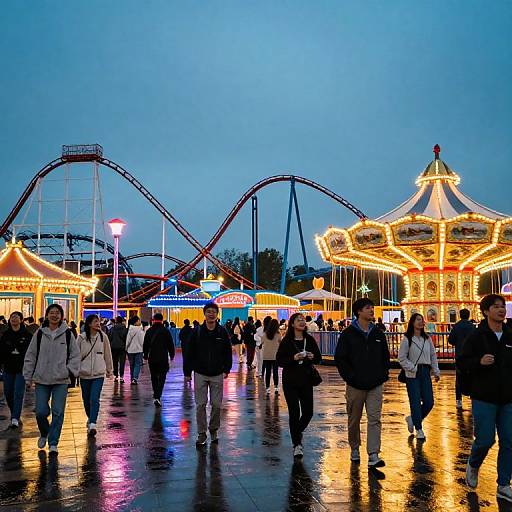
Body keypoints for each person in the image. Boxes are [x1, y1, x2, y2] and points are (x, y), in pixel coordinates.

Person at [457, 294, 512, 502]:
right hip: (484, 396)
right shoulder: (477, 336)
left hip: (507, 397)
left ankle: (504, 484)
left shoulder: (509, 335)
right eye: (496, 307)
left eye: (502, 306)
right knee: (486, 439)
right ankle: (473, 462)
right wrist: (478, 361)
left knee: (509, 441)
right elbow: (462, 362)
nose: (501, 310)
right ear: (486, 311)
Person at [334, 298, 390, 467]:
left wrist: (382, 374)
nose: (372, 310)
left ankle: (373, 453)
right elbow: (340, 358)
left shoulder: (378, 333)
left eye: (372, 307)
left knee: (375, 418)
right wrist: (350, 377)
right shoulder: (348, 334)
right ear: (359, 311)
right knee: (354, 418)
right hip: (355, 384)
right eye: (368, 308)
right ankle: (355, 447)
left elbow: (385, 356)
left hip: (375, 383)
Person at [23, 304, 80, 453]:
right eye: (51, 313)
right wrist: (28, 375)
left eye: (57, 313)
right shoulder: (40, 333)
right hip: (41, 378)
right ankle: (44, 432)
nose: (54, 315)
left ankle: (53, 441)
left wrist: (69, 370)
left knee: (58, 411)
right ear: (47, 315)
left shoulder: (67, 334)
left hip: (61, 379)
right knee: (40, 411)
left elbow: (75, 355)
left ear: (62, 316)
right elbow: (31, 355)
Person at [183, 302, 232, 446]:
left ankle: (214, 429)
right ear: (204, 314)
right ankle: (201, 433)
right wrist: (187, 372)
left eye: (214, 312)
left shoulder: (222, 332)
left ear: (217, 314)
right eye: (209, 311)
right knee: (200, 405)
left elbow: (227, 352)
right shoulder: (197, 332)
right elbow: (189, 353)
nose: (211, 314)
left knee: (216, 405)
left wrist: (226, 369)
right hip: (200, 373)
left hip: (217, 373)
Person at [276, 313, 322, 459]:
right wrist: (293, 358)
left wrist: (312, 356)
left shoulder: (309, 340)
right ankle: (297, 444)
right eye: (298, 320)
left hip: (306, 380)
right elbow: (280, 361)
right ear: (292, 324)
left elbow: (319, 358)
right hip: (290, 381)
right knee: (294, 412)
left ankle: (297, 431)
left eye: (303, 320)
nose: (302, 322)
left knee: (308, 412)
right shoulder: (287, 341)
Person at [398, 313, 440, 440]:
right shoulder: (407, 339)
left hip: (425, 371)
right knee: (415, 401)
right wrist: (412, 367)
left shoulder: (427, 339)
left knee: (429, 401)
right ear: (412, 322)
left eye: (422, 320)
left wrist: (436, 370)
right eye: (418, 320)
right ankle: (419, 428)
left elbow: (433, 355)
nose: (421, 322)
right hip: (412, 373)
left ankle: (413, 418)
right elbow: (402, 358)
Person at [77, 314, 113, 436]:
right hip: (84, 373)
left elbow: (107, 354)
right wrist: (75, 370)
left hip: (98, 373)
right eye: (95, 321)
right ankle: (90, 417)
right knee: (86, 400)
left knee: (94, 398)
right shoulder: (81, 338)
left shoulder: (103, 337)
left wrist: (109, 370)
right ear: (89, 324)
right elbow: (76, 356)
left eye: (98, 321)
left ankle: (93, 423)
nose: (98, 323)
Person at [0, 312, 31, 428]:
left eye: (16, 317)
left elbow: (31, 353)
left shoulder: (27, 335)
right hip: (8, 368)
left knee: (18, 393)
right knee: (8, 393)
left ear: (21, 320)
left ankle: (15, 418)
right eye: (12, 317)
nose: (14, 319)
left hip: (22, 369)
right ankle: (15, 412)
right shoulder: (5, 335)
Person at [143, 313, 175, 407]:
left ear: (153, 319)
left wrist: (145, 355)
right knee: (162, 377)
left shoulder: (149, 331)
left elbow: (146, 344)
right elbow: (170, 344)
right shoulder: (165, 331)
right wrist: (172, 354)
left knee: (153, 376)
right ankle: (158, 396)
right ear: (162, 320)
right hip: (163, 358)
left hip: (152, 357)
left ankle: (155, 394)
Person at [448, 308, 475, 409]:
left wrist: (457, 343)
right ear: (468, 315)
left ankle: (459, 400)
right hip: (471, 355)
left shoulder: (456, 326)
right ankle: (472, 397)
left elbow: (451, 340)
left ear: (460, 315)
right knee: (472, 377)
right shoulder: (472, 326)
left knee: (459, 378)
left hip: (460, 355)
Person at [262, 318, 282, 395]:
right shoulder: (278, 334)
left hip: (266, 356)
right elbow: (281, 343)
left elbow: (262, 342)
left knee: (268, 372)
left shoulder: (265, 333)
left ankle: (267, 389)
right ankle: (276, 388)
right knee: (275, 372)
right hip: (275, 356)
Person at [126, 316, 145, 385]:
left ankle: (132, 378)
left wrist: (126, 348)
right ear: (136, 322)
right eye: (139, 320)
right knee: (137, 364)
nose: (140, 322)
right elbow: (142, 341)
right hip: (139, 350)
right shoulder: (140, 330)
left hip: (130, 350)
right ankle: (135, 378)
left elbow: (128, 340)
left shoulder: (130, 330)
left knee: (132, 365)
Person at [108, 316, 128, 383]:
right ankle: (122, 377)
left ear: (116, 321)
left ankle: (116, 376)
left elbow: (109, 337)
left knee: (115, 362)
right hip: (122, 347)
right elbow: (126, 338)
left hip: (113, 347)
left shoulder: (112, 329)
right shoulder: (124, 329)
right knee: (122, 362)